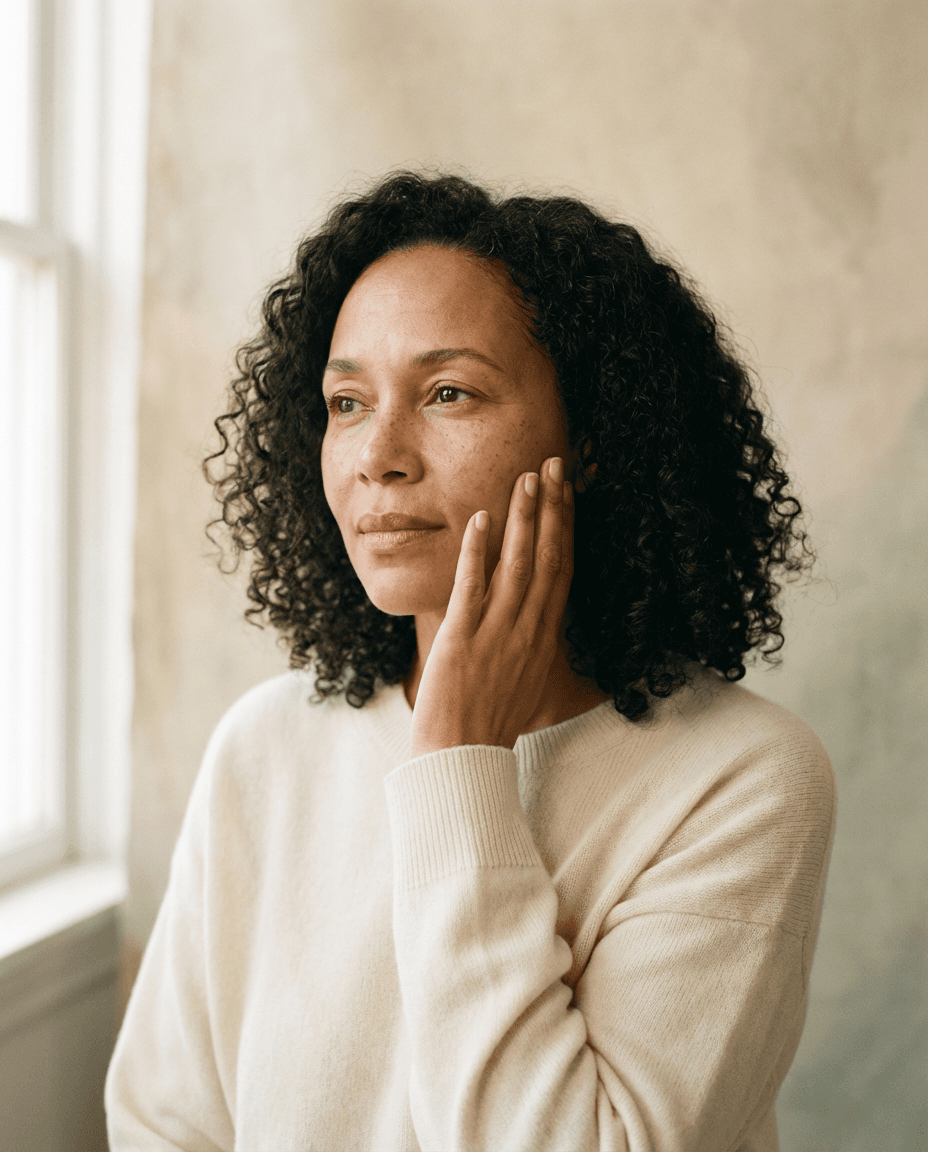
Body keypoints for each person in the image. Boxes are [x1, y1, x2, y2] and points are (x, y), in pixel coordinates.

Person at [106, 171, 836, 1151]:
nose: (379, 455)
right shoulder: (264, 748)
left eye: (448, 392)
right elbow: (163, 1124)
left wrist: (458, 766)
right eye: (347, 401)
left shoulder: (743, 781)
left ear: (588, 440)